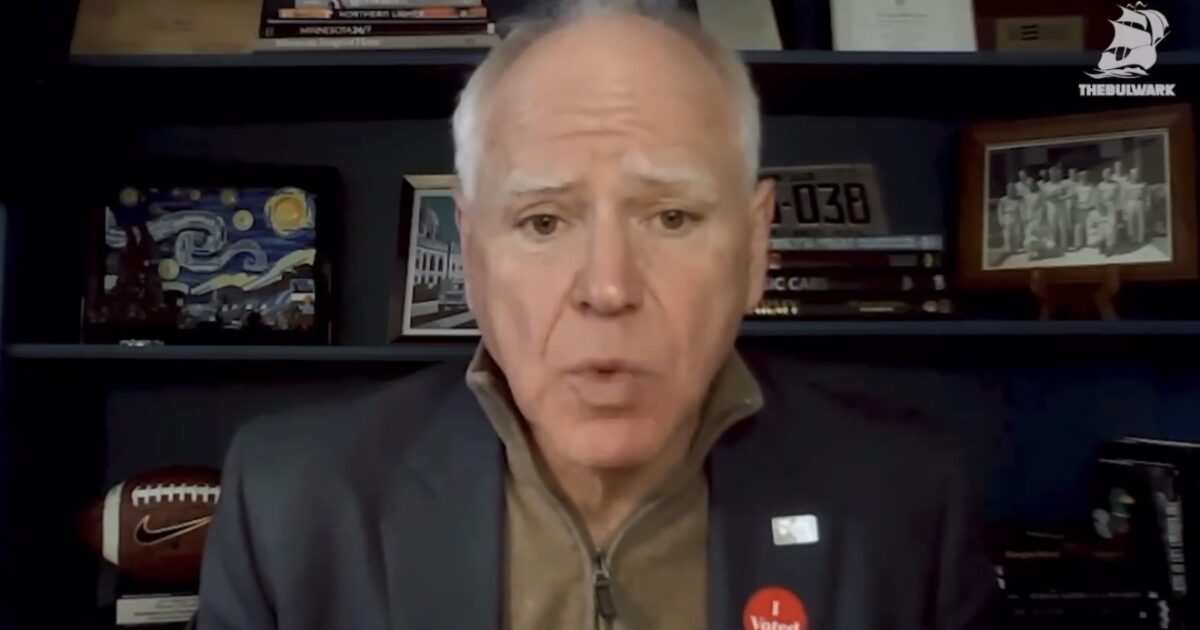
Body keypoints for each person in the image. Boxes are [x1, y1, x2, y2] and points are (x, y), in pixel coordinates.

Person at [191, 2, 1001, 629]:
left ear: (755, 249)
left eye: (672, 218)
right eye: (543, 222)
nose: (607, 288)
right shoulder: (292, 502)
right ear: (469, 256)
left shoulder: (907, 501)